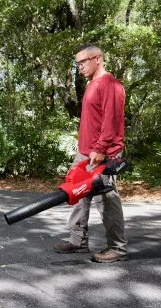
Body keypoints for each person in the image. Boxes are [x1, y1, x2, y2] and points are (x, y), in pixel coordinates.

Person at [54, 43, 128, 263]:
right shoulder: (92, 84)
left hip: (102, 153)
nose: (80, 67)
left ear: (98, 59)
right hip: (85, 151)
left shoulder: (110, 84)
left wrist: (100, 148)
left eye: (83, 61)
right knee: (76, 193)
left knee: (106, 200)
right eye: (77, 63)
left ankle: (118, 248)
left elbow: (111, 120)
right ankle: (78, 240)